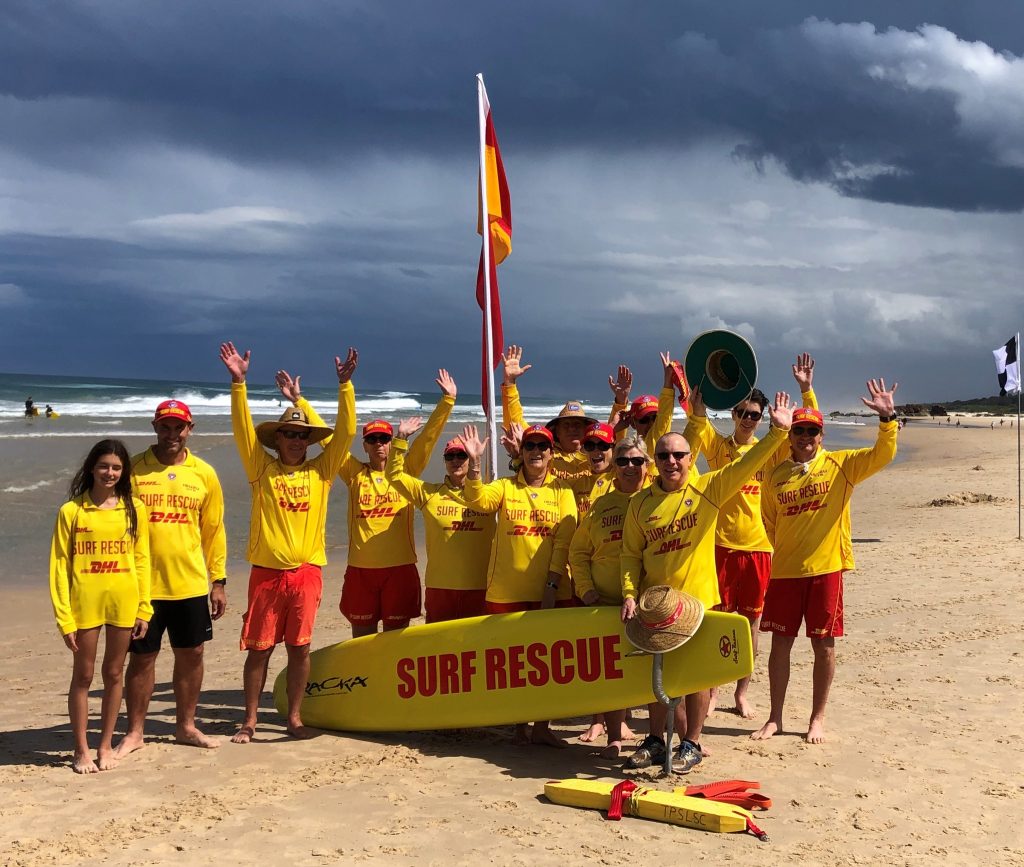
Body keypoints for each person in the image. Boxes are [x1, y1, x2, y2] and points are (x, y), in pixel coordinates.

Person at [620, 390, 794, 773]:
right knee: (656, 673)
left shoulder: (707, 489)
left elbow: (746, 467)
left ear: (690, 457)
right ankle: (653, 739)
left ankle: (692, 743)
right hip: (656, 604)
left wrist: (777, 434)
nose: (671, 462)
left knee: (697, 677)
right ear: (655, 460)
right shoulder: (639, 504)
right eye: (663, 455)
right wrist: (631, 594)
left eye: (679, 455)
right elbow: (630, 555)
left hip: (699, 602)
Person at [219, 341, 357, 743]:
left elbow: (346, 433)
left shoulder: (322, 472)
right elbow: (243, 431)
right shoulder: (261, 469)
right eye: (290, 434)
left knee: (300, 648)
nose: (296, 440)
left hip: (306, 574)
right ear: (277, 439)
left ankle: (294, 718)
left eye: (302, 435)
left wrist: (345, 387)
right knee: (259, 649)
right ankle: (249, 721)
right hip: (266, 575)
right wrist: (238, 384)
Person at [752, 379, 899, 745]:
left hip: (826, 571)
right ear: (790, 436)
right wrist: (789, 549)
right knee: (779, 645)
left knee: (824, 647)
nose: (805, 437)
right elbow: (769, 521)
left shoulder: (841, 466)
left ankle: (817, 717)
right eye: (799, 430)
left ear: (821, 435)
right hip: (785, 572)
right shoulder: (775, 476)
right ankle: (775, 717)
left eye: (811, 431)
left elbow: (881, 455)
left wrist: (887, 420)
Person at [683, 353, 817, 718]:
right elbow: (695, 427)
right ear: (733, 414)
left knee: (751, 624)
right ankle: (709, 692)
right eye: (741, 412)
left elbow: (810, 432)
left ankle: (742, 690)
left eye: (754, 415)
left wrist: (806, 392)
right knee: (716, 622)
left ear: (763, 419)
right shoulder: (719, 447)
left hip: (760, 548)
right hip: (720, 546)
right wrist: (691, 397)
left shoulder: (772, 451)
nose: (747, 419)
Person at [287, 370, 455, 636]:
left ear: (391, 443)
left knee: (394, 641)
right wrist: (300, 402)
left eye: (384, 439)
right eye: (372, 440)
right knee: (361, 639)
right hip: (361, 571)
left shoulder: (406, 470)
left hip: (399, 570)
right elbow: (331, 440)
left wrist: (447, 401)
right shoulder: (354, 473)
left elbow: (427, 440)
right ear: (364, 446)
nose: (379, 444)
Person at [116, 399, 227, 756]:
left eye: (178, 427)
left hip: (191, 583)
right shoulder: (133, 470)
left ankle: (186, 726)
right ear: (154, 427)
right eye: (165, 426)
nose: (172, 434)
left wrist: (218, 581)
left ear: (190, 429)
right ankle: (135, 732)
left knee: (192, 653)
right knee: (142, 658)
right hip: (142, 585)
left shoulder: (204, 473)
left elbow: (213, 530)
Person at [462, 421, 578, 747]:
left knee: (549, 663)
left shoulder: (562, 492)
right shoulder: (505, 487)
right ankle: (517, 726)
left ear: (552, 454)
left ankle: (542, 726)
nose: (536, 452)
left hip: (549, 593)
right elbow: (478, 502)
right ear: (522, 452)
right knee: (510, 662)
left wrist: (552, 585)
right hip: (507, 591)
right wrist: (474, 465)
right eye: (530, 446)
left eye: (542, 446)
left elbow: (564, 539)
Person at [49, 439, 151, 773]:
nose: (110, 473)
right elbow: (59, 567)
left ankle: (105, 745)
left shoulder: (134, 509)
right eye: (104, 466)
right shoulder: (72, 511)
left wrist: (143, 608)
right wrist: (65, 619)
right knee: (84, 674)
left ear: (124, 473)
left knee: (113, 673)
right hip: (85, 605)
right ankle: (81, 749)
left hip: (123, 601)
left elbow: (142, 561)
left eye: (117, 468)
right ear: (92, 468)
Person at [568, 431, 652, 757]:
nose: (629, 467)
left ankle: (661, 738)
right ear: (614, 466)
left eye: (636, 461)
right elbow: (578, 552)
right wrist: (586, 591)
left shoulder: (657, 500)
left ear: (647, 465)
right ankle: (614, 737)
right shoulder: (601, 506)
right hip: (606, 604)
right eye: (622, 461)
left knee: (653, 673)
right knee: (613, 672)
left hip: (648, 602)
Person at [385, 424, 495, 623]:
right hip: (440, 587)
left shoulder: (489, 495)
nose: (455, 461)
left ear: (470, 458)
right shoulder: (429, 493)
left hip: (480, 586)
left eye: (461, 456)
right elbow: (393, 475)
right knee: (440, 647)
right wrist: (400, 438)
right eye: (450, 456)